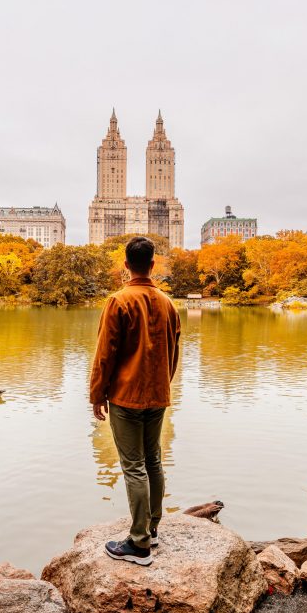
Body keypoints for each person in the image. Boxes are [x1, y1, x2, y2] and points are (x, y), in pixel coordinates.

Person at [90, 236, 181, 566]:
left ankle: (140, 544)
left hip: (127, 398)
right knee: (153, 460)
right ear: (152, 265)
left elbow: (105, 355)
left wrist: (97, 395)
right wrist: (162, 386)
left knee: (133, 467)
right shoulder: (168, 304)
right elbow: (174, 353)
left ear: (126, 265)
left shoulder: (119, 301)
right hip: (157, 395)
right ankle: (152, 530)